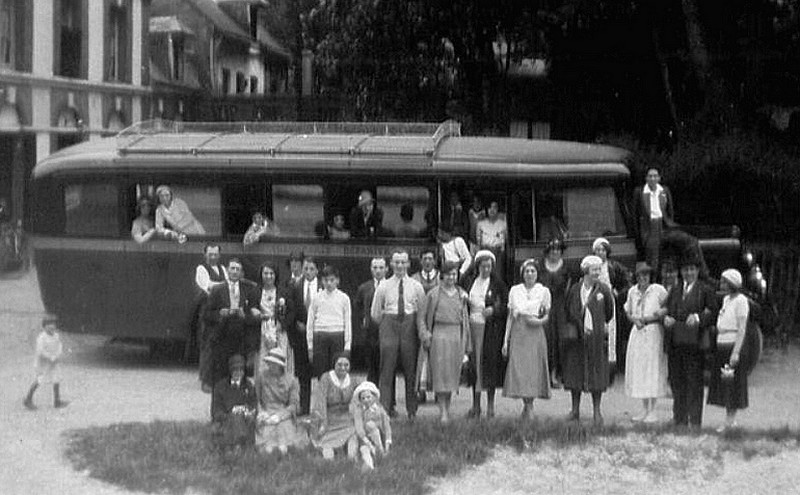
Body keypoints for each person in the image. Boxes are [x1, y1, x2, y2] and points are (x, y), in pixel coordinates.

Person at [663, 254, 717, 429]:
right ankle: (679, 419)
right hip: (676, 343)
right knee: (677, 382)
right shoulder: (675, 289)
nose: (689, 273)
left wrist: (698, 318)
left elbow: (713, 313)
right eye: (686, 270)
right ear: (681, 272)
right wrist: (666, 318)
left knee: (694, 383)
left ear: (697, 271)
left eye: (692, 269)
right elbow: (668, 310)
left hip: (695, 345)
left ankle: (694, 422)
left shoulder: (705, 290)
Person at [370, 249, 426, 419]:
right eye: (397, 262)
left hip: (409, 325)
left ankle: (412, 411)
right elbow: (375, 313)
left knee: (411, 369)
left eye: (403, 262)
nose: (400, 266)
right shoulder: (384, 286)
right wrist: (386, 324)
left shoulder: (416, 286)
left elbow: (422, 311)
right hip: (389, 325)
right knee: (387, 369)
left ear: (408, 264)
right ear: (391, 264)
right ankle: (385, 410)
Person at [562, 255, 615, 426]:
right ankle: (575, 410)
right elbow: (568, 309)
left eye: (599, 269)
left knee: (596, 373)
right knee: (575, 372)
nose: (597, 273)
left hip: (596, 339)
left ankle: (597, 411)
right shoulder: (575, 289)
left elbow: (609, 312)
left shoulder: (603, 290)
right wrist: (579, 324)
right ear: (586, 271)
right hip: (577, 338)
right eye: (594, 270)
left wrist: (596, 324)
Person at [416, 261, 471, 423]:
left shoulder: (462, 295)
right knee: (440, 374)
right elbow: (421, 317)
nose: (451, 277)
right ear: (442, 275)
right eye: (448, 274)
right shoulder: (433, 294)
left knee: (452, 375)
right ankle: (443, 412)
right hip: (439, 336)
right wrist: (425, 334)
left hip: (456, 336)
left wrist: (466, 343)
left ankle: (448, 407)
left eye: (454, 274)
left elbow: (465, 320)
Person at [502, 259, 551, 420]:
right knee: (520, 369)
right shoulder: (515, 291)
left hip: (535, 332)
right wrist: (505, 340)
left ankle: (529, 406)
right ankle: (527, 405)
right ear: (522, 274)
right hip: (519, 331)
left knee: (533, 370)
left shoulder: (543, 291)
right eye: (527, 271)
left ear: (537, 274)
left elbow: (547, 315)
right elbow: (510, 317)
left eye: (532, 271)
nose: (529, 274)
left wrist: (539, 321)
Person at [461, 250, 507, 419]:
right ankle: (475, 406)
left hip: (490, 330)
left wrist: (494, 310)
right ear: (478, 266)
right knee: (475, 366)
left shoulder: (498, 284)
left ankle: (490, 407)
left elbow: (506, 305)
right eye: (483, 266)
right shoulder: (469, 282)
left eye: (489, 266)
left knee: (489, 366)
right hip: (473, 327)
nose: (486, 269)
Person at [623, 262, 669, 423]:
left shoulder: (658, 290)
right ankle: (644, 408)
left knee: (652, 368)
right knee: (640, 369)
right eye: (640, 275)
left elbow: (668, 306)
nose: (643, 278)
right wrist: (634, 320)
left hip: (653, 331)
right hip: (638, 331)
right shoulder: (632, 292)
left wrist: (656, 315)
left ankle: (653, 409)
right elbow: (628, 311)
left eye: (646, 275)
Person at [204, 258, 258, 386]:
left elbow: (254, 313)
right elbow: (207, 314)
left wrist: (245, 315)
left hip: (242, 338)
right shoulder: (217, 289)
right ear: (227, 270)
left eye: (237, 269)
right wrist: (220, 314)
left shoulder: (250, 289)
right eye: (232, 268)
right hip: (222, 337)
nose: (234, 271)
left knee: (240, 371)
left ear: (241, 272)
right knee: (222, 374)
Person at [707, 269, 750, 433]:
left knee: (732, 383)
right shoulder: (726, 300)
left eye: (724, 282)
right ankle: (729, 418)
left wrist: (736, 352)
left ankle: (730, 421)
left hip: (732, 344)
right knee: (725, 384)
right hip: (722, 343)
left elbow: (742, 328)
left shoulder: (741, 301)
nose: (721, 284)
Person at [255, 348, 307, 455]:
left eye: (274, 364)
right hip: (266, 414)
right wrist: (261, 412)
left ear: (280, 365)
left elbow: (294, 405)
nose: (271, 366)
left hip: (284, 414)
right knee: (267, 448)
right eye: (270, 363)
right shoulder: (261, 377)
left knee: (283, 446)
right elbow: (257, 398)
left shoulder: (291, 380)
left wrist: (279, 416)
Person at [286, 255, 321, 415]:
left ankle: (321, 409)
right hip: (300, 336)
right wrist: (296, 325)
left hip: (319, 335)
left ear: (317, 270)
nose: (308, 271)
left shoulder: (323, 286)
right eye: (306, 268)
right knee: (303, 376)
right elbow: (290, 310)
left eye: (311, 269)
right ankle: (305, 408)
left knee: (321, 374)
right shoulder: (295, 286)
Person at [591, 237, 630, 371]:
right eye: (598, 250)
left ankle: (613, 365)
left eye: (603, 250)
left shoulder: (614, 267)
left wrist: (618, 292)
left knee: (613, 333)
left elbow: (627, 282)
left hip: (611, 303)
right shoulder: (590, 267)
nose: (600, 252)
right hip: (595, 303)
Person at [310, 352, 359, 460]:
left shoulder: (353, 380)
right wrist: (323, 422)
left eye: (346, 365)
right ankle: (329, 447)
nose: (343, 368)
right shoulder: (326, 378)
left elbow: (358, 401)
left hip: (346, 420)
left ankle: (349, 452)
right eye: (339, 364)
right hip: (328, 419)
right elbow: (320, 401)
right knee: (329, 456)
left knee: (352, 453)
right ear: (334, 365)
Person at [306, 265, 352, 378]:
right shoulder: (316, 298)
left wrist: (347, 345)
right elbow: (310, 322)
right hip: (320, 336)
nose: (329, 283)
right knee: (321, 372)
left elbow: (348, 322)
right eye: (326, 280)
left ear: (337, 280)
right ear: (322, 281)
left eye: (332, 280)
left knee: (337, 372)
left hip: (338, 335)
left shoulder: (344, 298)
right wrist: (310, 345)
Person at [538, 238, 571, 389]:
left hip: (560, 306)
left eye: (558, 250)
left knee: (560, 339)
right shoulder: (540, 266)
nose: (555, 253)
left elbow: (569, 290)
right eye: (552, 250)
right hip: (544, 307)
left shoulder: (567, 268)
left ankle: (559, 373)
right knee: (547, 339)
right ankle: (545, 373)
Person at [195, 244, 229, 392]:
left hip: (220, 310)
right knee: (207, 345)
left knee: (219, 344)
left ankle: (217, 379)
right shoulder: (201, 269)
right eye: (210, 254)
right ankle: (206, 381)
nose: (213, 257)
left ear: (219, 255)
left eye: (215, 254)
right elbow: (208, 286)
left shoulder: (223, 269)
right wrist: (224, 285)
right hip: (207, 310)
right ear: (205, 255)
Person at [251, 261, 291, 378]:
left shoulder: (284, 291)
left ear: (276, 275)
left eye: (271, 273)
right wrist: (256, 315)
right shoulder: (255, 292)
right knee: (263, 362)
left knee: (280, 360)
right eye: (266, 273)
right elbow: (249, 312)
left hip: (279, 331)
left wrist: (283, 324)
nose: (268, 276)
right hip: (261, 332)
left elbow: (291, 312)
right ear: (261, 274)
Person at [210, 354, 257, 448]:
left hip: (245, 420)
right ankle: (236, 444)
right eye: (235, 370)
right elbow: (215, 410)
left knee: (242, 420)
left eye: (241, 370)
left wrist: (247, 411)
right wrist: (231, 414)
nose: (238, 373)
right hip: (226, 420)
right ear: (230, 371)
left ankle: (237, 444)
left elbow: (253, 405)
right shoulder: (220, 387)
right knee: (235, 420)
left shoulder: (249, 386)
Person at [354, 257, 388, 387]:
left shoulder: (390, 286)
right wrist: (363, 319)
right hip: (370, 334)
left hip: (387, 332)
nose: (378, 271)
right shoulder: (364, 288)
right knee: (372, 367)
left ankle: (388, 397)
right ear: (371, 269)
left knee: (387, 367)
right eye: (375, 268)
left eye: (381, 268)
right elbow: (357, 307)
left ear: (386, 269)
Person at [24, 316, 69, 410]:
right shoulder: (41, 338)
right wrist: (50, 357)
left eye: (53, 325)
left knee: (56, 379)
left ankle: (57, 401)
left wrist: (57, 355)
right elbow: (40, 351)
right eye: (49, 325)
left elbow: (59, 346)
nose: (52, 327)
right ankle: (28, 399)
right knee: (40, 380)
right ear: (44, 327)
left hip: (54, 363)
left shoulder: (56, 336)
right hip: (44, 364)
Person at [637, 168, 675, 269]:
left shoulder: (664, 190)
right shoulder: (640, 192)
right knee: (652, 257)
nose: (653, 178)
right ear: (646, 178)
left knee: (665, 255)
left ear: (659, 178)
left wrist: (670, 225)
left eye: (655, 176)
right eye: (650, 176)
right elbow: (635, 215)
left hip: (663, 225)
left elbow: (670, 211)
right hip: (649, 227)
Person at [352, 381, 392, 471]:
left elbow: (387, 426)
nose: (366, 400)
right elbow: (359, 427)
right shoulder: (359, 411)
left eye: (368, 397)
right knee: (364, 450)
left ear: (374, 397)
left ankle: (380, 450)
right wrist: (367, 442)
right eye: (363, 398)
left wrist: (388, 441)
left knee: (372, 426)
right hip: (366, 439)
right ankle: (370, 466)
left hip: (379, 437)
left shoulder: (380, 410)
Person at [476, 201, 508, 277]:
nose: (492, 210)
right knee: (485, 273)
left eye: (494, 207)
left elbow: (505, 238)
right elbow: (478, 240)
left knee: (498, 274)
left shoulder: (503, 224)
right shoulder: (481, 224)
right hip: (485, 250)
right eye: (490, 208)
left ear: (498, 210)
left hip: (498, 252)